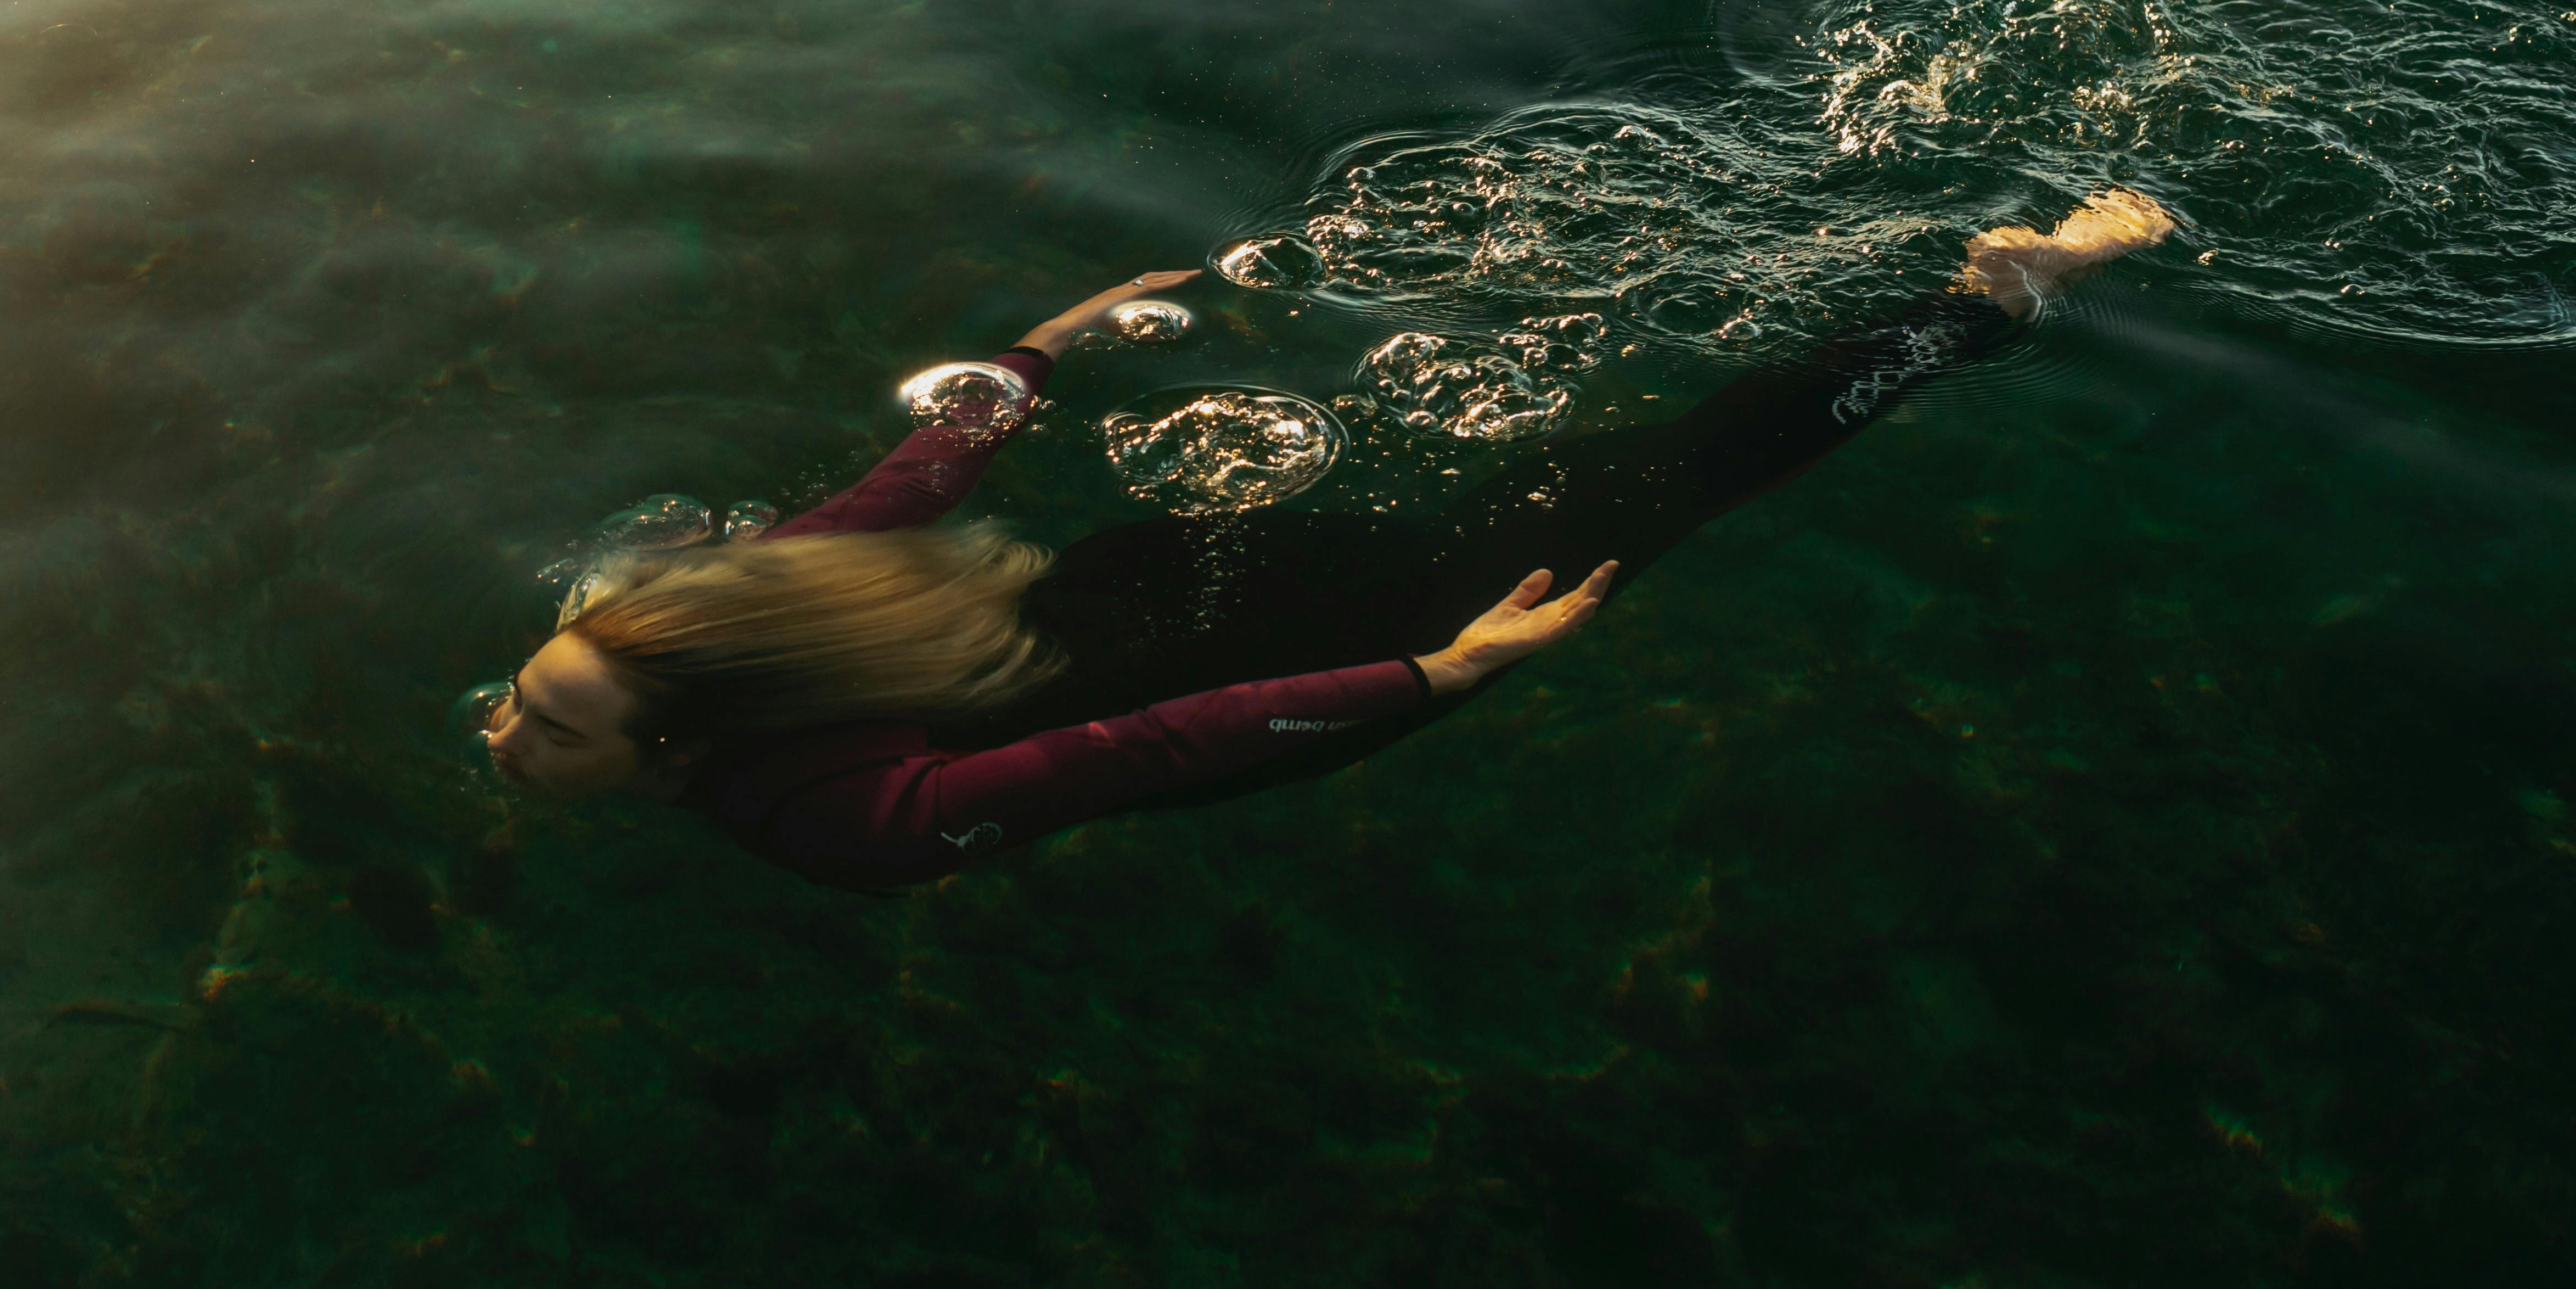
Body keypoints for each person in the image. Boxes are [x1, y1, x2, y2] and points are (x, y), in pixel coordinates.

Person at [483, 190, 2178, 891]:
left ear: (679, 728)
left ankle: (1991, 307)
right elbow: (897, 493)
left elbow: (1137, 752)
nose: (505, 727)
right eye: (529, 711)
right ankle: (1938, 306)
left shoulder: (837, 818)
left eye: (539, 712)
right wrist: (1036, 361)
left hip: (1272, 651)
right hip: (1166, 573)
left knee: (1669, 483)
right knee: (1570, 466)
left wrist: (1432, 677)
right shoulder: (716, 644)